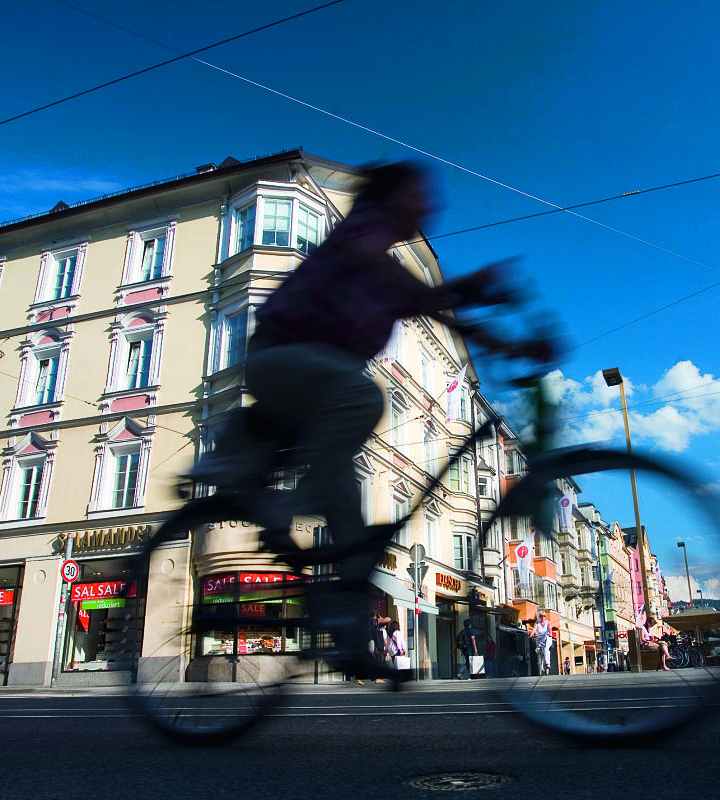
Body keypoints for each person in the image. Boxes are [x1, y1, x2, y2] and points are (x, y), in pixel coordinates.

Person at [189, 161, 553, 678]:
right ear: (390, 198)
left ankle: (349, 639)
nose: (430, 208)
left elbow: (445, 315)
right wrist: (473, 285)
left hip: (311, 383)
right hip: (280, 357)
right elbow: (407, 286)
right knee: (363, 396)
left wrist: (512, 345)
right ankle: (292, 500)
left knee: (354, 530)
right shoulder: (362, 232)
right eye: (419, 197)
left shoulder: (380, 253)